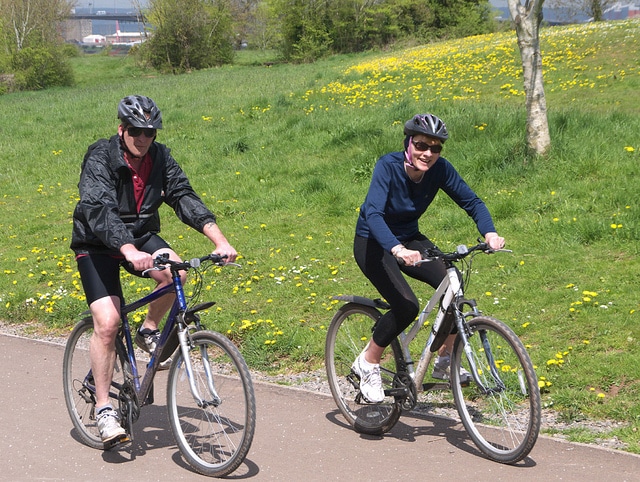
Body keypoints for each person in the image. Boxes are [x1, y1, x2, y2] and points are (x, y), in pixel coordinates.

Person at [71, 95, 237, 446]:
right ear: (122, 129)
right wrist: (126, 248)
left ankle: (148, 328)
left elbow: (183, 196)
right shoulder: (100, 155)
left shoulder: (160, 157)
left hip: (140, 235)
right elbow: (97, 207)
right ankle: (104, 409)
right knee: (108, 323)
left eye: (150, 132)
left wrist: (220, 240)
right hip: (97, 244)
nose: (143, 138)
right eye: (135, 131)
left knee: (177, 273)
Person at [351, 113, 505, 403]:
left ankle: (445, 358)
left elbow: (472, 202)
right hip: (373, 241)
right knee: (407, 305)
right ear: (408, 143)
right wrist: (396, 249)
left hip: (409, 238)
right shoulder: (388, 166)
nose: (428, 154)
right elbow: (373, 214)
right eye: (422, 145)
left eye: (435, 148)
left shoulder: (440, 170)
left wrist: (490, 233)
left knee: (452, 282)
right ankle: (368, 362)